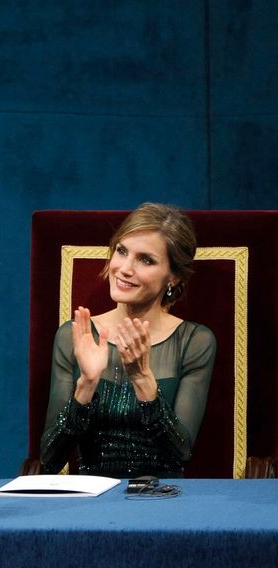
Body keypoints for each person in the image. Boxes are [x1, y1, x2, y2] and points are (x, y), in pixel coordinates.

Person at [40, 203, 217, 478]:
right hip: (92, 503)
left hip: (161, 500)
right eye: (122, 251)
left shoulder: (194, 341)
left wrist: (143, 379)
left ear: (173, 277)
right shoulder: (73, 335)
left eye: (145, 260)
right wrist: (86, 386)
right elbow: (50, 459)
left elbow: (180, 453)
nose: (124, 268)